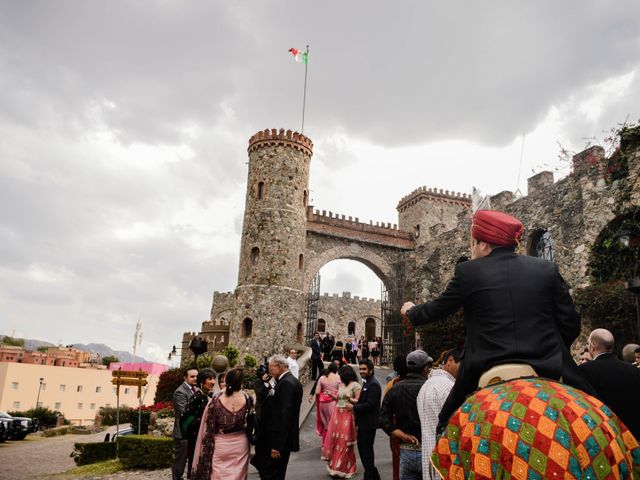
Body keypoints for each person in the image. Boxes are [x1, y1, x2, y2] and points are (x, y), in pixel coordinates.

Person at [401, 209, 594, 433]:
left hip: (484, 370)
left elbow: (435, 310)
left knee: (445, 428)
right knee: (599, 414)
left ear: (483, 244)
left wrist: (411, 311)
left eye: (473, 244)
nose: (472, 250)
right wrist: (550, 348)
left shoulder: (467, 272)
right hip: (547, 366)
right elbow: (571, 323)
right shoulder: (546, 269)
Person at [380, 350, 432, 480]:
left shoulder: (395, 389)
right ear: (425, 368)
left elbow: (383, 418)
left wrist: (403, 435)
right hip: (429, 450)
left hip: (406, 449)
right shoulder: (430, 387)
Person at [578, 328, 640, 439]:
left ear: (592, 346)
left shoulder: (585, 370)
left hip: (607, 436)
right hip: (634, 434)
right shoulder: (634, 370)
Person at [191, 368, 252, 480]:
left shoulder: (216, 400)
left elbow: (208, 426)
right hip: (241, 444)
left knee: (218, 474)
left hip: (221, 444)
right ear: (241, 382)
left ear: (227, 381)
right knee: (238, 475)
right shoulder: (248, 399)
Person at [257, 354, 303, 480]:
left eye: (271, 367)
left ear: (279, 366)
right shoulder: (291, 380)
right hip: (282, 440)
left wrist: (277, 445)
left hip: (278, 443)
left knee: (272, 475)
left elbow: (285, 417)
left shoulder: (286, 384)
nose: (269, 370)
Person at [417, 348, 461, 480]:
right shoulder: (448, 386)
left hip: (429, 458)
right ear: (450, 361)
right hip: (444, 461)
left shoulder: (427, 385)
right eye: (462, 364)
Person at [322, 365, 362, 478]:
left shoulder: (356, 385)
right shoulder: (341, 385)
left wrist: (350, 399)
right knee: (336, 441)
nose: (339, 376)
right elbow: (338, 399)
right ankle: (334, 467)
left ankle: (347, 468)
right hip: (337, 415)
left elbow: (358, 402)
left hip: (348, 416)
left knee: (345, 443)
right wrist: (331, 395)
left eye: (341, 374)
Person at [347, 358, 381, 480]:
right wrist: (354, 401)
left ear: (371, 370)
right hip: (364, 423)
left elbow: (370, 404)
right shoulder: (367, 382)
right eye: (360, 369)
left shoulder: (373, 384)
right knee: (364, 451)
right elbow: (365, 401)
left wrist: (354, 407)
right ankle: (373, 475)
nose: (361, 371)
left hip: (369, 423)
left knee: (365, 451)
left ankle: (370, 475)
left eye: (364, 369)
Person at [181, 369, 216, 477]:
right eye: (210, 379)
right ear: (201, 382)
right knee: (195, 464)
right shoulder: (197, 397)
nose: (213, 381)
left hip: (203, 438)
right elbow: (184, 419)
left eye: (214, 378)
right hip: (195, 439)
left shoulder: (206, 397)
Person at [384, 355, 408, 480]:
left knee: (397, 460)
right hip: (415, 427)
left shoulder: (393, 384)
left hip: (396, 426)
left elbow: (385, 410)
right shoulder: (422, 383)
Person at [172, 367, 198, 480]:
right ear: (185, 377)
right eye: (192, 376)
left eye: (196, 376)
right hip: (182, 433)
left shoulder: (196, 389)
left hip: (193, 433)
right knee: (179, 464)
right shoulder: (180, 392)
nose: (195, 378)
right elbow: (184, 413)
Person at [315, 363, 340, 443]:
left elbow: (317, 392)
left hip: (322, 403)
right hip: (333, 402)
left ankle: (325, 443)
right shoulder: (338, 378)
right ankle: (332, 444)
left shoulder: (322, 378)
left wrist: (325, 391)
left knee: (325, 424)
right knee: (333, 424)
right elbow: (341, 392)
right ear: (336, 369)